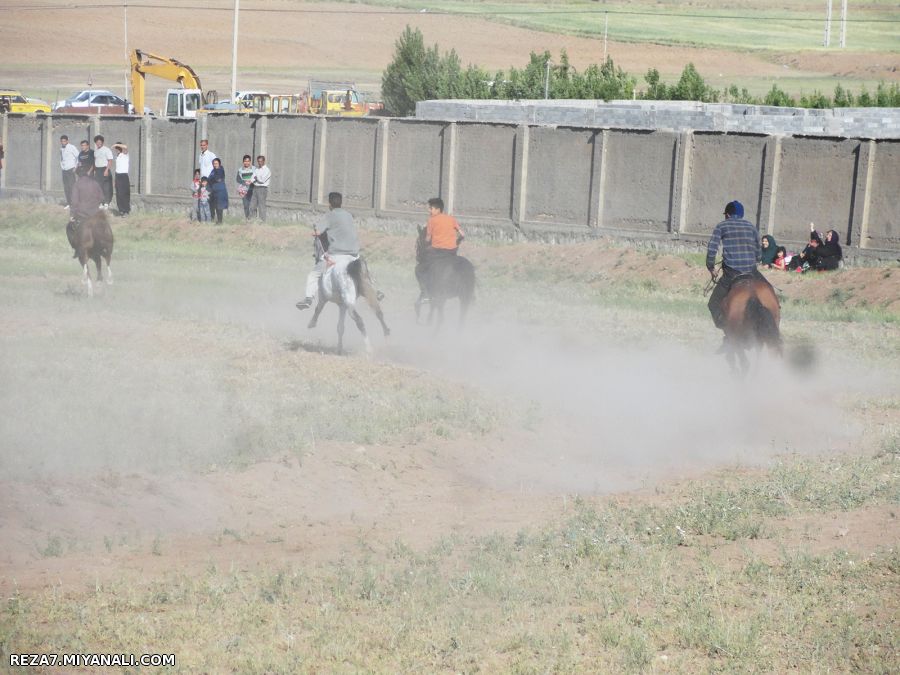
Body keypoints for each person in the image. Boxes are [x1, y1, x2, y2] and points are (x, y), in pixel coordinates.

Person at [706, 200, 771, 348]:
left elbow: (712, 249)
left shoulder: (722, 226)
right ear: (741, 215)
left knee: (713, 303)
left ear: (727, 215)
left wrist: (711, 267)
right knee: (769, 291)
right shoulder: (751, 227)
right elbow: (759, 254)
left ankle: (729, 334)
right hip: (751, 272)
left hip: (732, 273)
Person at [296, 191, 360, 310]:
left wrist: (313, 233)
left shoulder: (329, 216)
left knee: (313, 275)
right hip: (354, 254)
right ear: (341, 203)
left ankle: (308, 299)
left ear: (329, 204)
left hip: (337, 254)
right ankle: (374, 289)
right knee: (363, 271)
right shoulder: (349, 215)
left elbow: (318, 232)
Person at [416, 196, 465, 304]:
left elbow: (428, 239)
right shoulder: (451, 219)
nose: (429, 211)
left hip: (438, 252)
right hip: (452, 252)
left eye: (430, 208)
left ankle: (425, 294)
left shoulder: (431, 220)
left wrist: (428, 240)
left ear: (437, 209)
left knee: (419, 269)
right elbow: (462, 234)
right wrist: (456, 242)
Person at [67, 165, 104, 254]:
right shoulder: (95, 183)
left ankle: (75, 248)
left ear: (78, 175)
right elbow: (102, 197)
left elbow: (74, 202)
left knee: (69, 227)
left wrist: (72, 215)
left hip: (82, 215)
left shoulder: (77, 185)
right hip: (95, 214)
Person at [92, 135, 114, 209]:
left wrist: (106, 170)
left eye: (100, 142)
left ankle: (107, 203)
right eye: (97, 142)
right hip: (98, 170)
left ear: (102, 142)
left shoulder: (106, 150)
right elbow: (95, 161)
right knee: (99, 187)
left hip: (104, 169)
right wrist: (95, 171)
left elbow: (110, 161)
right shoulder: (96, 151)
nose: (98, 143)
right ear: (95, 143)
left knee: (106, 187)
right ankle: (101, 202)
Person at [59, 135, 80, 209]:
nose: (63, 142)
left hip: (71, 170)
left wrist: (76, 167)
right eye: (62, 141)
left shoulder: (72, 147)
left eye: (64, 141)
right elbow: (62, 159)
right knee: (66, 187)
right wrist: (62, 167)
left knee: (72, 187)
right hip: (64, 170)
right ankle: (69, 203)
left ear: (67, 141)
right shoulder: (61, 149)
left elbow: (78, 156)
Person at [249, 155, 271, 221]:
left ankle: (262, 221)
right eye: (258, 161)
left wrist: (256, 178)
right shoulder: (257, 169)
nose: (260, 163)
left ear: (264, 161)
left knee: (261, 205)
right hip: (255, 188)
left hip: (262, 188)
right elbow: (252, 178)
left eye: (261, 161)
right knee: (252, 205)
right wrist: (255, 179)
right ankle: (252, 219)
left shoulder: (267, 170)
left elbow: (262, 180)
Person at [207, 157, 228, 224]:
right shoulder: (213, 171)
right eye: (214, 164)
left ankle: (220, 221)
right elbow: (209, 179)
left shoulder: (220, 170)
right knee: (214, 206)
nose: (215, 165)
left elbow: (217, 179)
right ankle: (214, 220)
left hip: (220, 191)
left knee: (219, 206)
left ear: (219, 164)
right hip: (214, 191)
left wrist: (211, 180)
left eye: (216, 163)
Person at [113, 142, 130, 216]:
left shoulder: (125, 155)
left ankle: (126, 210)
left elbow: (126, 147)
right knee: (119, 194)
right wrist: (114, 180)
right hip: (118, 176)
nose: (116, 150)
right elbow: (117, 169)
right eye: (116, 149)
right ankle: (121, 210)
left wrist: (116, 145)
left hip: (124, 176)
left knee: (124, 194)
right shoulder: (117, 157)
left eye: (117, 149)